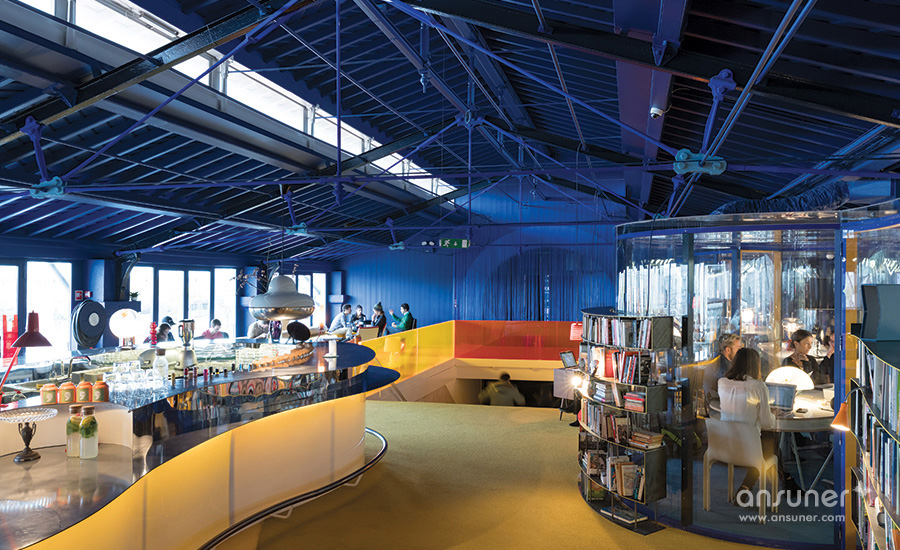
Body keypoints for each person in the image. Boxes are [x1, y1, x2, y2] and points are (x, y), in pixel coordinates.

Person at [718, 348, 799, 500]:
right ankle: (784, 480)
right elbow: (767, 423)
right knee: (771, 442)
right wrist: (773, 414)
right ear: (756, 365)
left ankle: (751, 486)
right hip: (749, 446)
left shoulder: (722, 383)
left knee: (768, 442)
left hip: (727, 443)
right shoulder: (758, 386)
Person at [704, 333, 742, 402]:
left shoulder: (717, 361)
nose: (740, 352)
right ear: (728, 350)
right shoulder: (725, 368)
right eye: (738, 348)